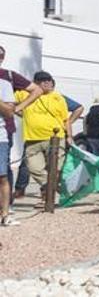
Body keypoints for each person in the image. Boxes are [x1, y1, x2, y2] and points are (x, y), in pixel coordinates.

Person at [13, 72, 69, 201]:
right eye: (42, 81)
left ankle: (48, 198)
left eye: (49, 80)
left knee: (55, 168)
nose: (47, 83)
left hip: (56, 138)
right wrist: (20, 112)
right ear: (35, 83)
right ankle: (52, 187)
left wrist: (69, 136)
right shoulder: (23, 94)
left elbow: (65, 119)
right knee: (34, 168)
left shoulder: (58, 97)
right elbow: (9, 102)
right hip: (32, 139)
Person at [0, 60, 19, 226]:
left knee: (2, 176)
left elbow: (9, 112)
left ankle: (5, 214)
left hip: (0, 137)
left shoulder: (4, 84)